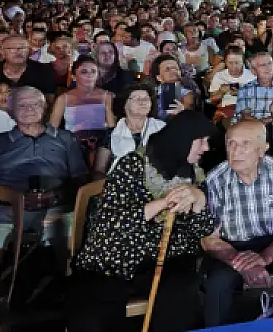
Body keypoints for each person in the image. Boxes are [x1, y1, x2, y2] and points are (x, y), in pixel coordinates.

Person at [67, 112, 217, 332]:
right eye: (201, 141)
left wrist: (198, 201)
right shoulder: (132, 165)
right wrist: (164, 202)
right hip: (113, 260)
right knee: (94, 312)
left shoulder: (194, 175)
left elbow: (202, 229)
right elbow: (113, 223)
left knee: (181, 297)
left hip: (166, 262)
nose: (205, 148)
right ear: (181, 139)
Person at [201, 119, 273, 326]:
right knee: (217, 285)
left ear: (262, 149)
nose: (236, 151)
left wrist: (265, 257)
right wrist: (240, 263)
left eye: (245, 144)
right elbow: (209, 239)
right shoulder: (215, 180)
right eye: (231, 143)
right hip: (232, 245)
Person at [0, 86, 89, 266]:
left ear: (45, 107)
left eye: (35, 104)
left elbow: (81, 178)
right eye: (22, 105)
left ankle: (63, 284)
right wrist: (14, 198)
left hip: (56, 209)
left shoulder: (65, 139)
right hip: (6, 212)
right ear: (11, 110)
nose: (30, 109)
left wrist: (55, 195)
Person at [94, 83, 167, 178]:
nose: (143, 102)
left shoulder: (163, 129)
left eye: (146, 98)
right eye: (137, 98)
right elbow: (99, 169)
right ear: (125, 105)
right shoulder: (111, 134)